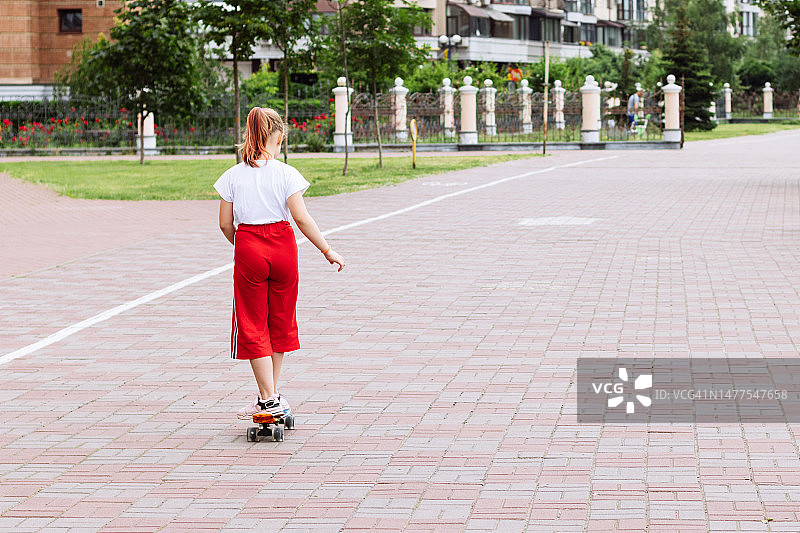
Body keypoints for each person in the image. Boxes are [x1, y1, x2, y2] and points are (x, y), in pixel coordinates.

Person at [214, 107, 345, 420]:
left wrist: (246, 247)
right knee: (280, 318)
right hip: (284, 247)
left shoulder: (231, 176)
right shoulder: (287, 173)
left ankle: (268, 398)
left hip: (249, 247)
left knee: (252, 321)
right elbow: (300, 217)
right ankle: (270, 397)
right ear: (279, 137)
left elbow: (224, 224)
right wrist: (328, 250)